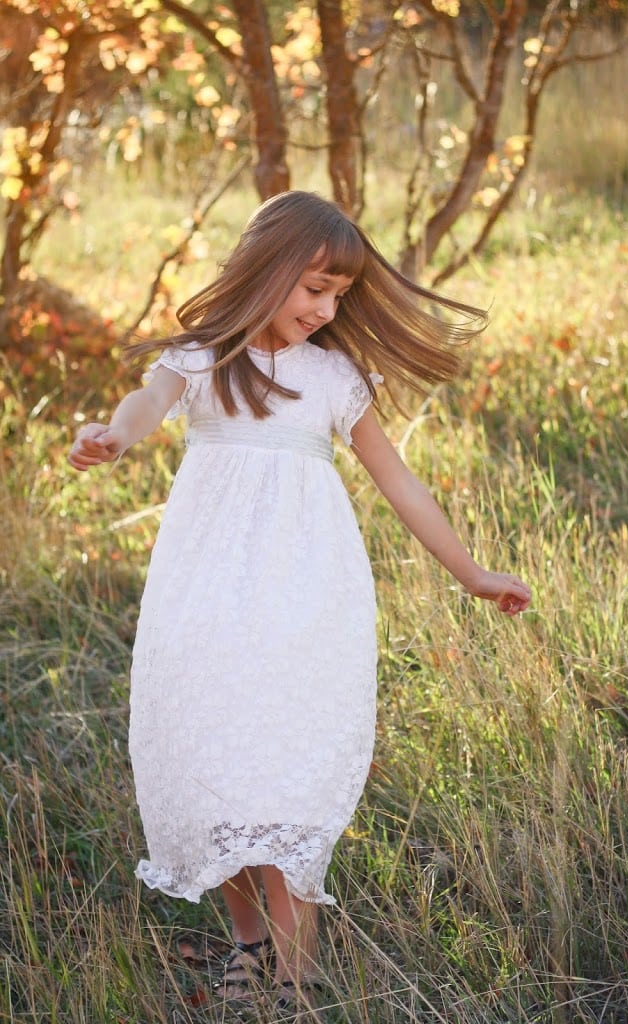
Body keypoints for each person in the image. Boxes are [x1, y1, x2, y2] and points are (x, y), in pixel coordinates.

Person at [68, 190, 531, 1011]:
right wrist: (115, 435)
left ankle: (296, 965)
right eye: (314, 288)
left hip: (306, 590)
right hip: (206, 590)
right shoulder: (200, 359)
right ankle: (248, 946)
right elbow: (145, 403)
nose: (324, 309)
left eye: (339, 296)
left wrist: (471, 571)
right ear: (266, 267)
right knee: (219, 762)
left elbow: (401, 483)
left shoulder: (334, 377)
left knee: (282, 766)